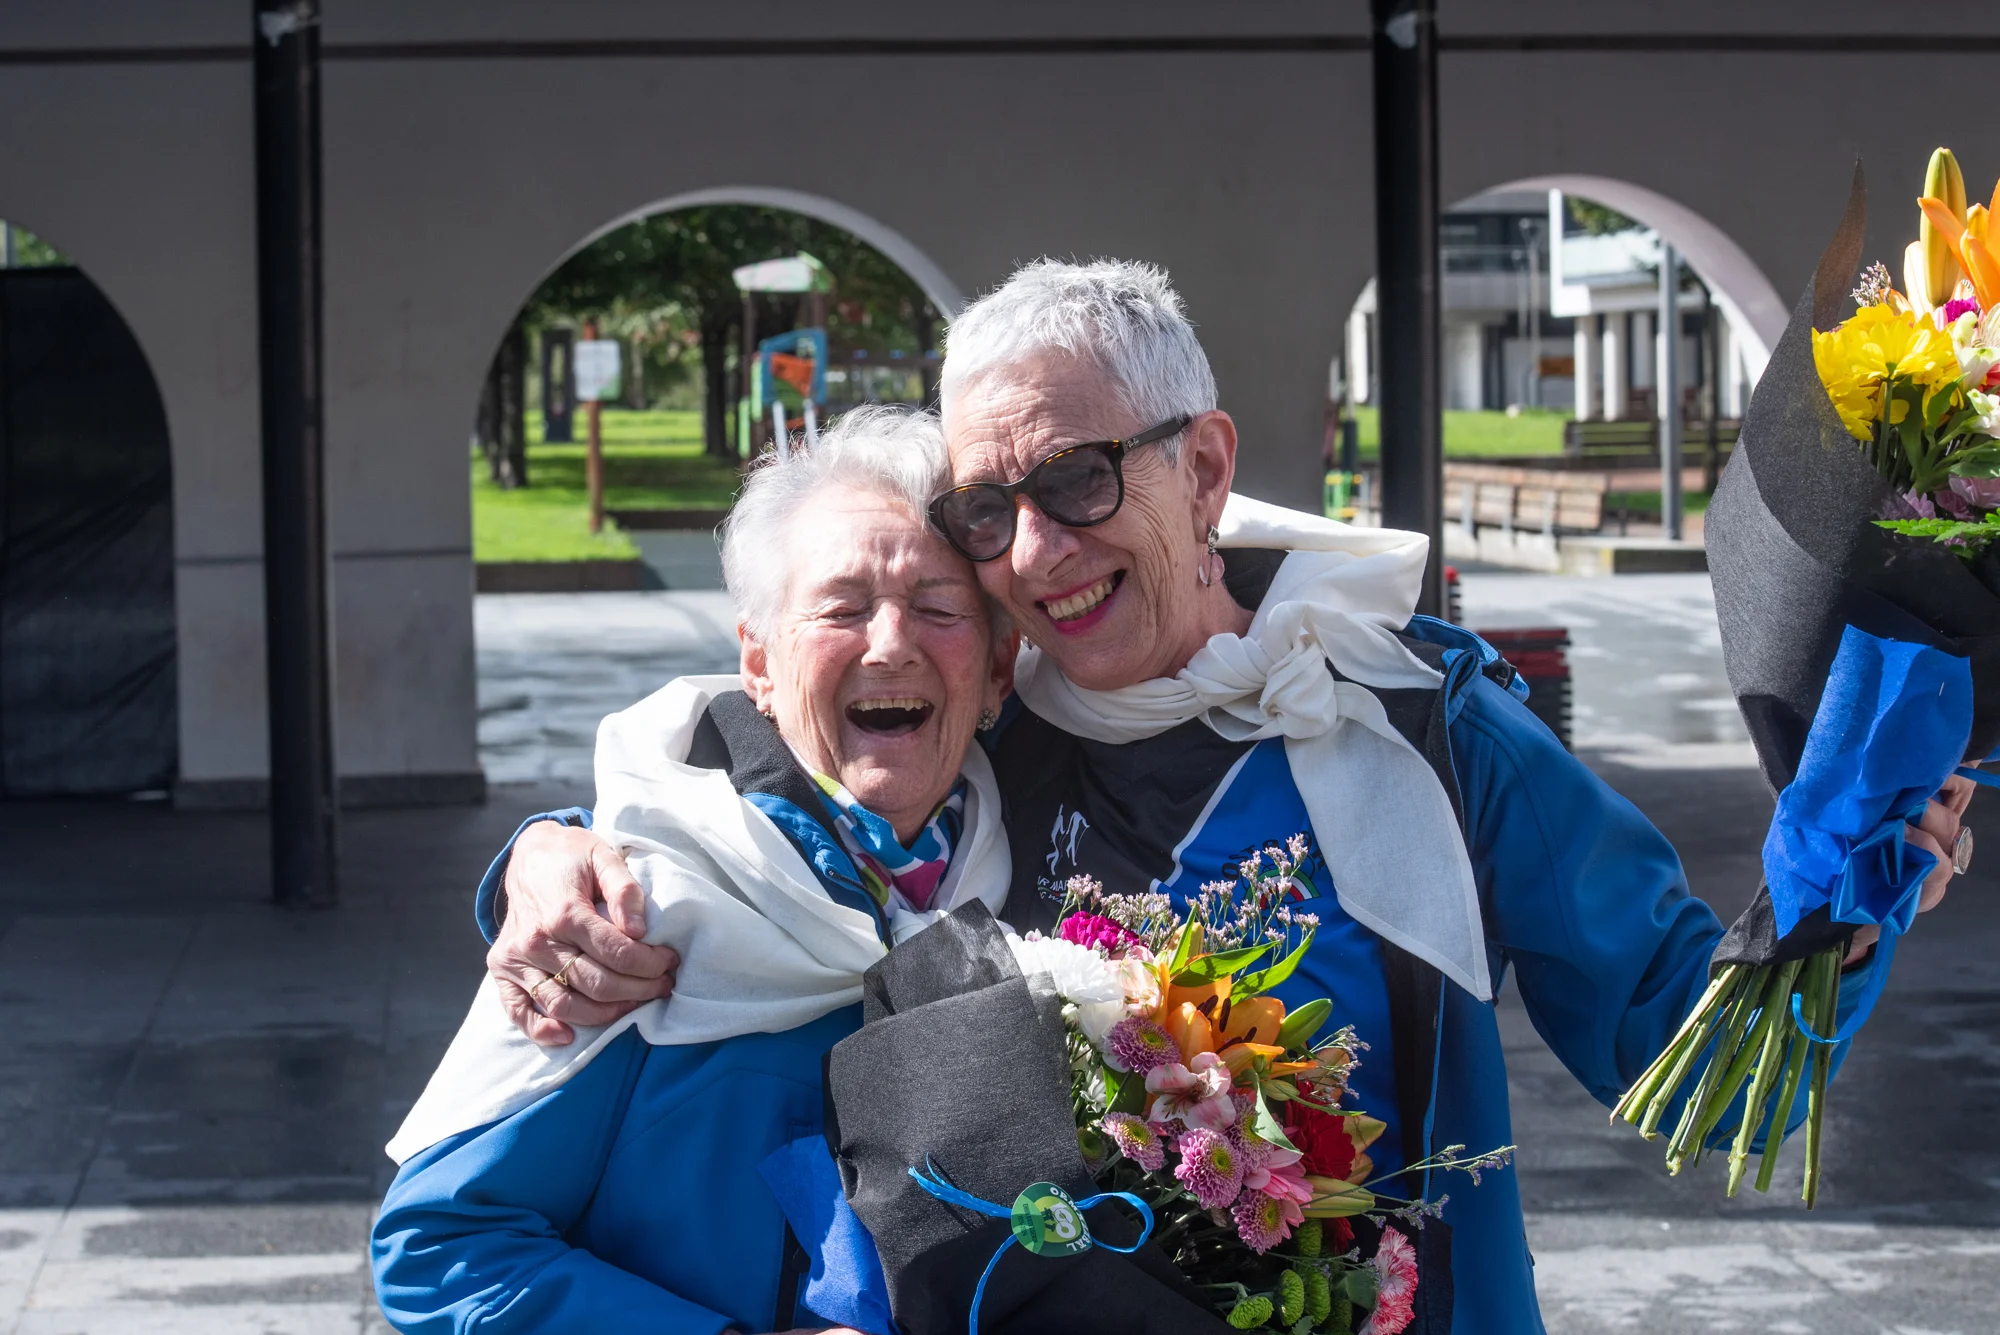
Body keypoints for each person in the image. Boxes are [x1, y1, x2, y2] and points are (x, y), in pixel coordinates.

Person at [481, 262, 1971, 1333]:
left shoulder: (1426, 725)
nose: (1032, 554)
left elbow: (1694, 1064)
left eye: (1076, 481)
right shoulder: (983, 723)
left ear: (1202, 467)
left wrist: (1848, 875)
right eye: (985, 510)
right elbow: (750, 762)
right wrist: (546, 856)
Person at [371, 406, 1017, 1334]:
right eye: (841, 608)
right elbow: (440, 1247)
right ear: (758, 661)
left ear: (1000, 665)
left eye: (940, 607)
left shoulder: (1037, 897)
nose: (889, 643)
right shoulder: (628, 912)